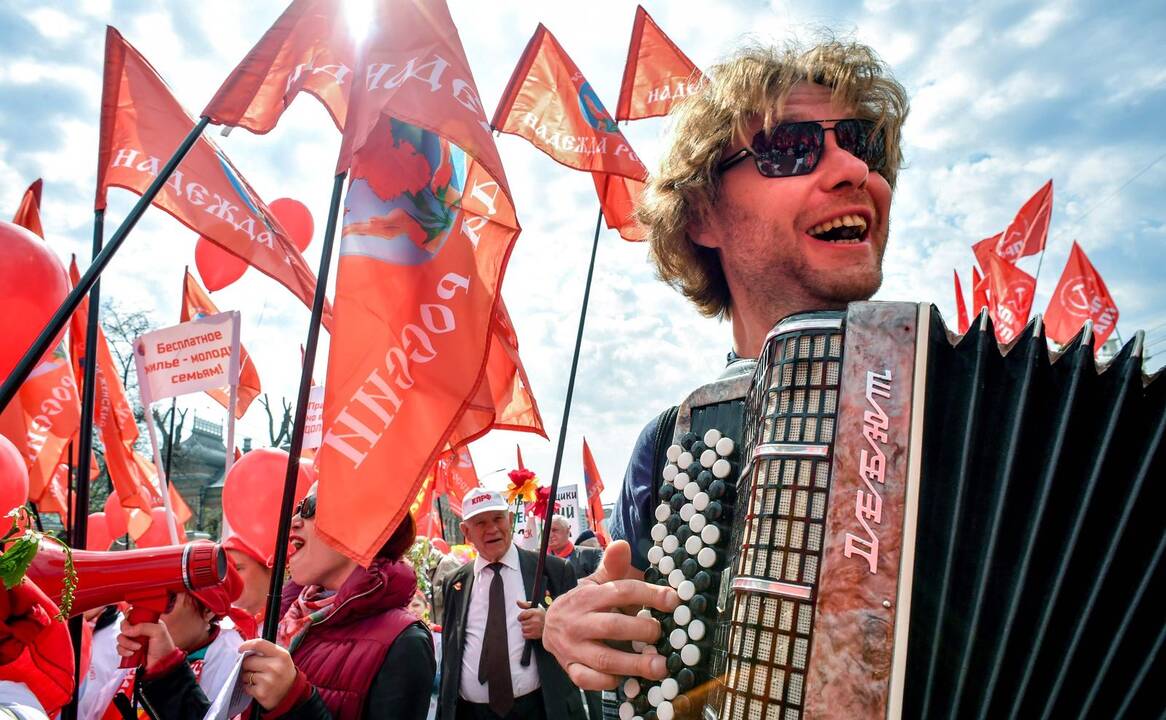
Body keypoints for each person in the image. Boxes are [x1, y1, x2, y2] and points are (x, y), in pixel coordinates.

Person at [541, 38, 909, 690]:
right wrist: (581, 629)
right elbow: (630, 626)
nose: (854, 168)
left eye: (864, 143)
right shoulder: (671, 442)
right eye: (790, 147)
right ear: (703, 212)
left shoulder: (999, 407)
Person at [117, 488, 434, 719]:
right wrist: (165, 668)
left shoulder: (403, 640)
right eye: (297, 508)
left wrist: (294, 702)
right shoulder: (284, 620)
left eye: (309, 508)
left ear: (362, 528)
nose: (293, 521)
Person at [438, 489, 586, 720]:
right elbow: (451, 651)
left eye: (497, 518)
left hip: (538, 709)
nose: (492, 529)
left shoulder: (554, 571)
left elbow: (582, 635)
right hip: (471, 713)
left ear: (509, 520)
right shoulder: (454, 582)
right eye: (480, 523)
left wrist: (550, 624)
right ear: (466, 531)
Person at [82, 572, 245, 720]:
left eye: (168, 600)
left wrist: (167, 671)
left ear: (208, 610)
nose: (148, 611)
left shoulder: (232, 660)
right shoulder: (139, 653)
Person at [548, 516, 601, 580]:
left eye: (554, 530)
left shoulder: (591, 554)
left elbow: (601, 579)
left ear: (567, 531)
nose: (550, 535)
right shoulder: (540, 560)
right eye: (547, 531)